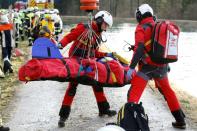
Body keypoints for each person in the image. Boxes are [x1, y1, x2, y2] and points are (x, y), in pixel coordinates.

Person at [126, 4, 186, 129]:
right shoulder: (158, 25)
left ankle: (130, 124)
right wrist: (166, 64)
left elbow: (140, 49)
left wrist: (131, 67)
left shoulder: (140, 28)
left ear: (139, 15)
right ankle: (180, 121)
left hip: (147, 68)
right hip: (162, 66)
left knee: (133, 94)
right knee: (168, 92)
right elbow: (161, 47)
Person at [57, 10, 117, 127]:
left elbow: (94, 53)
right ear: (99, 20)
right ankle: (63, 116)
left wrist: (107, 55)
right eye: (105, 25)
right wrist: (61, 44)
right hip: (76, 61)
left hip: (88, 62)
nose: (105, 28)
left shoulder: (97, 36)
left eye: (107, 26)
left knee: (97, 83)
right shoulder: (84, 28)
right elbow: (70, 36)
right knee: (72, 87)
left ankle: (103, 109)